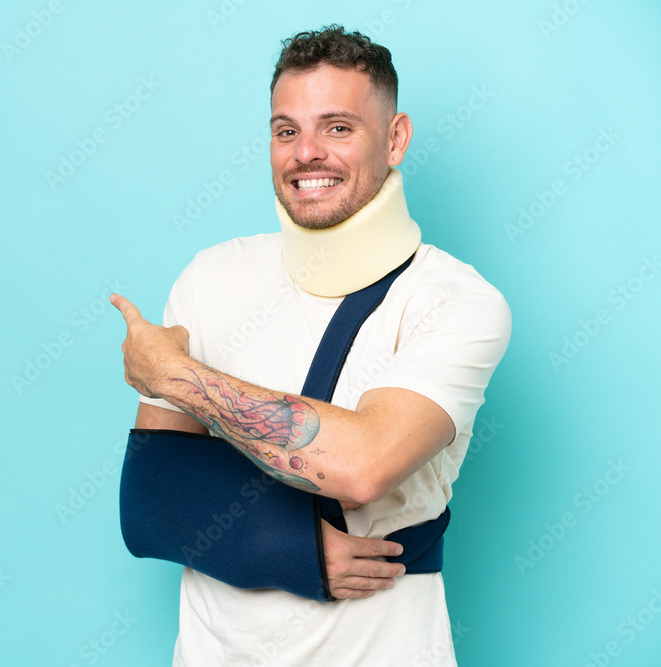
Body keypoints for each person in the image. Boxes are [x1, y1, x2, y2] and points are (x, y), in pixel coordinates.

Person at [110, 24, 511, 666]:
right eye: (286, 130)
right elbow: (152, 501)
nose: (307, 154)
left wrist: (176, 377)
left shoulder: (456, 300)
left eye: (339, 127)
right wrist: (289, 546)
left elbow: (361, 466)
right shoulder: (211, 275)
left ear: (396, 138)